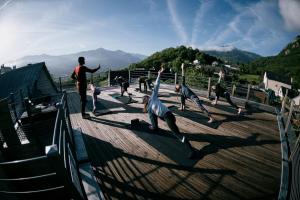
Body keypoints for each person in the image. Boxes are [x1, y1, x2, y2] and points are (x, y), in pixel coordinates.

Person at [142, 65, 195, 159]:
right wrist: (153, 127)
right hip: (168, 116)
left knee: (177, 134)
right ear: (146, 101)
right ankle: (183, 140)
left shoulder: (152, 98)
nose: (147, 96)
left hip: (168, 116)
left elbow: (157, 85)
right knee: (172, 128)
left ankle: (191, 150)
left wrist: (159, 74)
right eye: (146, 97)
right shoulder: (150, 109)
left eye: (147, 96)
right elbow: (154, 122)